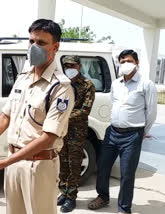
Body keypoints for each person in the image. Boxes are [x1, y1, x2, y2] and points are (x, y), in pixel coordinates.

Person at [0, 19, 75, 214]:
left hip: (39, 166)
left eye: (41, 43)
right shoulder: (23, 77)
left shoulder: (61, 87)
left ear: (55, 47)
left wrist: (3, 163)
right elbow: (6, 115)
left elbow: (48, 138)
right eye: (31, 41)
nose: (33, 47)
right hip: (13, 161)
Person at [88, 50, 157, 214]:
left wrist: (143, 131)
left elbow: (151, 112)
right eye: (122, 61)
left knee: (127, 173)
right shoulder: (116, 83)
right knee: (103, 167)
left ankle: (124, 208)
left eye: (129, 61)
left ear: (137, 63)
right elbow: (114, 103)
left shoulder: (146, 84)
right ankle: (103, 197)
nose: (125, 64)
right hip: (112, 132)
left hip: (132, 135)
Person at [57, 55, 95, 212]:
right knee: (62, 163)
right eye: (66, 66)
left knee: (74, 164)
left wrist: (64, 117)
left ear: (79, 66)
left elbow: (85, 110)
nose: (69, 69)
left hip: (76, 132)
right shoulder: (62, 83)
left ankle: (71, 197)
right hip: (62, 130)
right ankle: (64, 192)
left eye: (72, 65)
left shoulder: (87, 85)